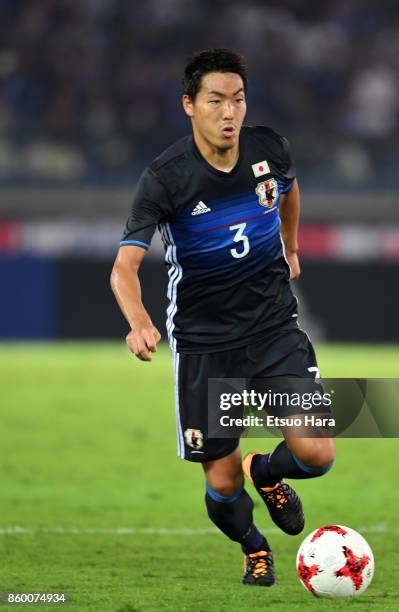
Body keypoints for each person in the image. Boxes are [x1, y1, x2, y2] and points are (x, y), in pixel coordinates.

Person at [111, 48, 335, 587]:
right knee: (223, 483)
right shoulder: (165, 178)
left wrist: (290, 244)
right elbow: (124, 267)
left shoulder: (269, 148)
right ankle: (253, 545)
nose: (229, 112)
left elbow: (289, 189)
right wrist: (140, 321)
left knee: (317, 450)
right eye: (215, 100)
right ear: (190, 105)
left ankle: (269, 471)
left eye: (237, 99)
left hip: (273, 326)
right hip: (206, 343)